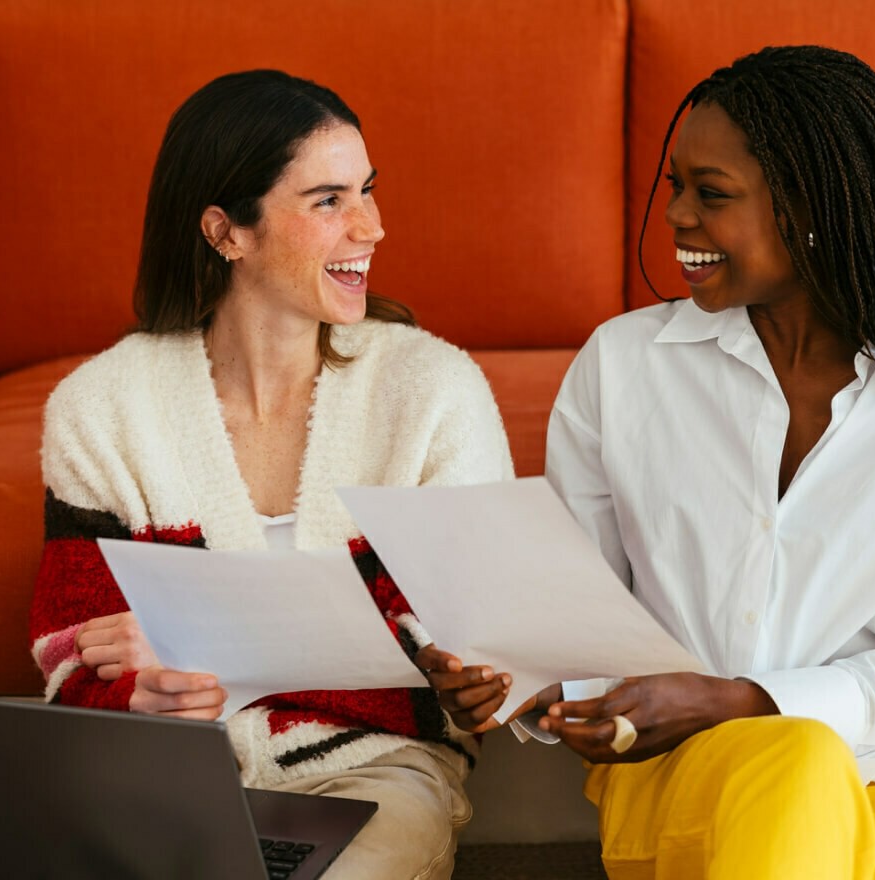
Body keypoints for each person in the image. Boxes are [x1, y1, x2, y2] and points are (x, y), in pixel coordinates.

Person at [424, 46, 875, 879]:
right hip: (688, 769)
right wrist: (521, 681)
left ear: (811, 209)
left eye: (710, 194)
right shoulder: (623, 367)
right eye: (675, 184)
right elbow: (575, 617)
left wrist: (741, 695)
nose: (675, 215)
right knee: (797, 762)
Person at [28, 69, 514, 880]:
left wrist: (463, 672)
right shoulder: (101, 408)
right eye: (328, 201)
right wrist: (132, 695)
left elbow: (477, 635)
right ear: (227, 231)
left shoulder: (433, 390)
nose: (371, 227)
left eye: (368, 191)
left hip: (372, 769)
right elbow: (70, 651)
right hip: (169, 770)